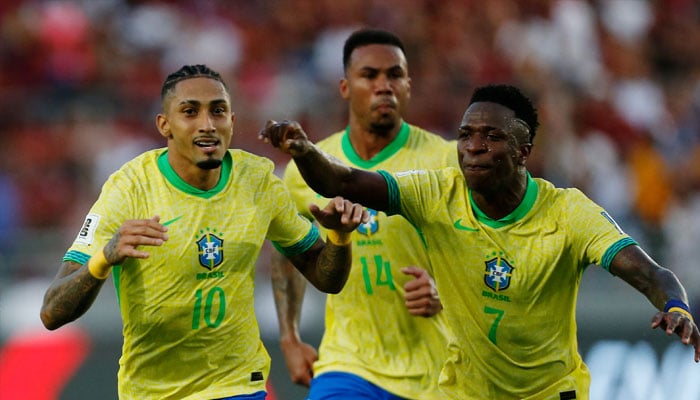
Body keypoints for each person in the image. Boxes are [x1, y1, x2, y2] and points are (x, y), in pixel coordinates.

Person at [259, 83, 700, 399]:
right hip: (463, 391)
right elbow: (346, 180)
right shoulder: (437, 194)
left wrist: (675, 305)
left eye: (492, 137)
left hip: (546, 392)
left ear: (524, 151)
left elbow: (646, 270)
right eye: (467, 135)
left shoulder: (567, 213)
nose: (473, 147)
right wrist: (303, 150)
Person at [39, 64, 369, 400]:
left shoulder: (258, 182)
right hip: (154, 391)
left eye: (218, 111)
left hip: (238, 385)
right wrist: (104, 258)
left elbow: (327, 278)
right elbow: (52, 312)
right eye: (189, 112)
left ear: (232, 121)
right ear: (164, 125)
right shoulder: (129, 189)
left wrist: (339, 237)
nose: (207, 124)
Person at [271, 29, 456, 400]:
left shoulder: (446, 161)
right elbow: (289, 253)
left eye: (395, 75)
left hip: (438, 371)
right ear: (344, 87)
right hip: (348, 363)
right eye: (370, 75)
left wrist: (446, 295)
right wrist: (290, 338)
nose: (384, 85)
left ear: (408, 85)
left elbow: (482, 249)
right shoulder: (306, 168)